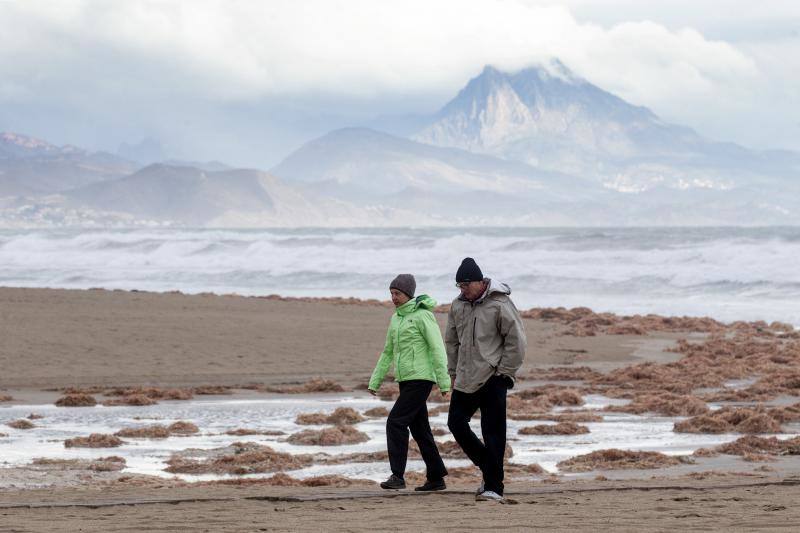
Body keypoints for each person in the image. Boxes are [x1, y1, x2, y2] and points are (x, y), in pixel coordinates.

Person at [445, 257, 526, 502]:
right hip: (465, 377)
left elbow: (517, 341)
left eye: (466, 285)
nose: (462, 289)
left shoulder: (499, 303)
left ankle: (494, 487)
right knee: (455, 424)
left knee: (493, 433)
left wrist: (505, 374)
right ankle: (489, 468)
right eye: (459, 285)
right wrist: (452, 371)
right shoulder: (457, 305)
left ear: (480, 282)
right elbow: (451, 341)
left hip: (493, 377)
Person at [368, 274, 451, 491]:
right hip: (405, 379)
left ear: (408, 294)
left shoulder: (424, 316)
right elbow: (387, 352)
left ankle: (397, 476)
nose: (393, 298)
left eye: (397, 294)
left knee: (395, 422)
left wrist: (444, 382)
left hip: (421, 379)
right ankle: (436, 478)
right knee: (420, 429)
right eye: (391, 294)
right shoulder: (396, 318)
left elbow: (437, 348)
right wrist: (375, 381)